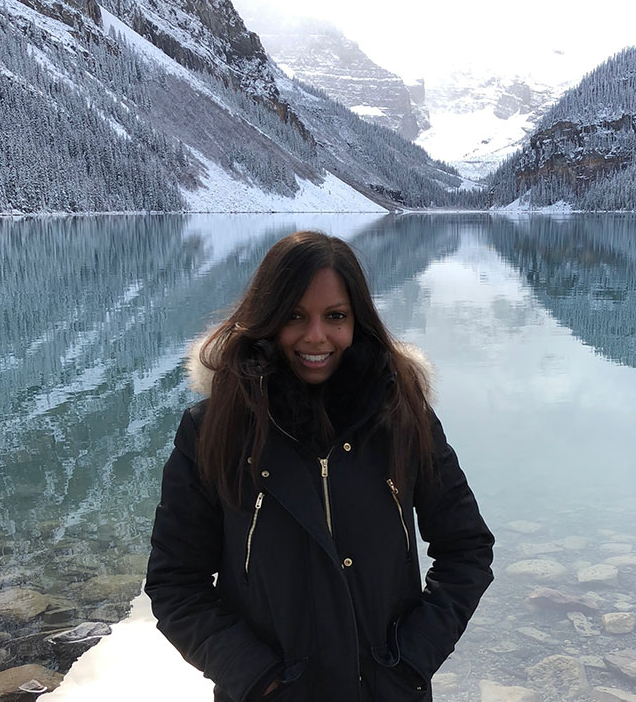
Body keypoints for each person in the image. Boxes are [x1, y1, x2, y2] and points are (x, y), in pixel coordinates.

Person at [145, 231, 494, 702]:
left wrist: (412, 657)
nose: (315, 337)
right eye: (294, 316)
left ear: (358, 322)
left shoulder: (402, 418)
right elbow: (175, 584)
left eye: (335, 317)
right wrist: (257, 679)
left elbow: (466, 547)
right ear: (266, 320)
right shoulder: (213, 432)